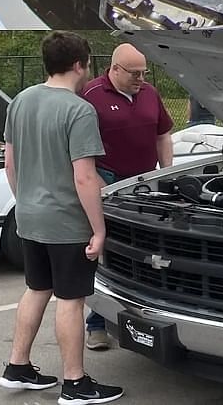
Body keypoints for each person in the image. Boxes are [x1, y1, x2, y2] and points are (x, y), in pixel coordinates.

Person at [0, 31, 124, 404]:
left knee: (37, 289)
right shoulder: (79, 109)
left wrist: (26, 202)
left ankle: (17, 366)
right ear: (80, 64)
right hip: (67, 221)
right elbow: (84, 176)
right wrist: (98, 230)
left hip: (30, 216)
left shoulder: (20, 101)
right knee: (71, 299)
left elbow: (10, 161)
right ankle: (75, 384)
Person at [78, 43, 174, 351]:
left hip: (145, 186)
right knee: (108, 252)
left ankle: (149, 314)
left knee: (148, 253)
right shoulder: (91, 96)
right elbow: (81, 149)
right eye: (134, 73)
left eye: (144, 73)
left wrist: (166, 175)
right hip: (108, 185)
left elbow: (163, 135)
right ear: (114, 69)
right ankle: (97, 323)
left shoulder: (150, 94)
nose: (141, 79)